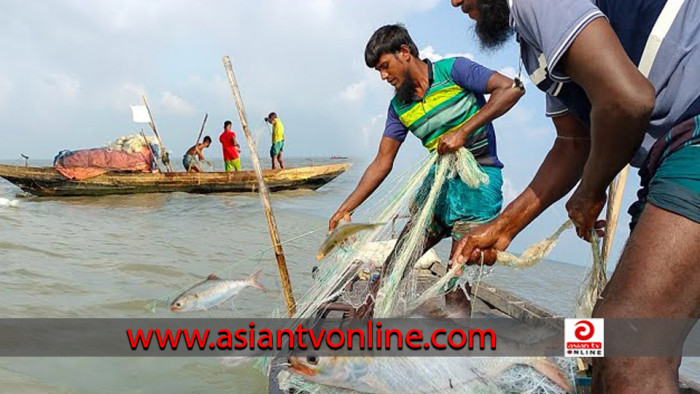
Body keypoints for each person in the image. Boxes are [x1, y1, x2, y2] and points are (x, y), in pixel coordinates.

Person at [449, 0, 700, 392]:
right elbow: (572, 144)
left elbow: (627, 100)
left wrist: (590, 191)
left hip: (692, 137)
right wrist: (503, 227)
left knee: (626, 345)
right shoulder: (534, 47)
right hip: (667, 156)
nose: (454, 2)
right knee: (613, 340)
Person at [328, 24, 524, 316]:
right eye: (379, 71)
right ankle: (361, 329)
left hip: (478, 184)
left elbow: (511, 89)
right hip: (438, 186)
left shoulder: (454, 71)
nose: (383, 76)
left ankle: (459, 355)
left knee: (454, 278)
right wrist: (346, 208)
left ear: (404, 52)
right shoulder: (399, 106)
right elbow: (382, 162)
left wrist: (463, 131)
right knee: (398, 260)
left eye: (385, 66)